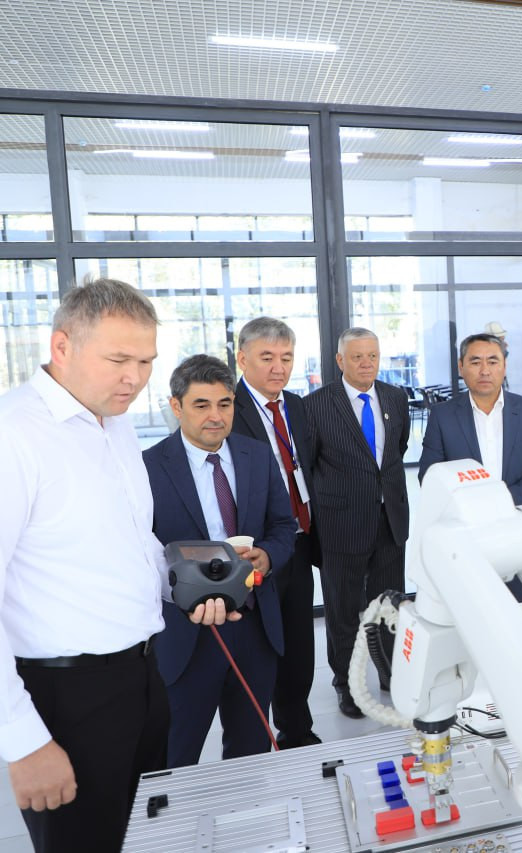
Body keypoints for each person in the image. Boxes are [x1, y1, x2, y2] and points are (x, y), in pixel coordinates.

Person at [0, 278, 233, 853]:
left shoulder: (113, 424)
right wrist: (23, 742)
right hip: (65, 693)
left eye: (146, 361)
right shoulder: (0, 440)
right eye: (118, 360)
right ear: (62, 347)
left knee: (142, 837)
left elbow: (131, 543)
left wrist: (189, 587)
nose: (135, 378)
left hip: (142, 675)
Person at [143, 355, 296, 767]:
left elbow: (284, 526)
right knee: (175, 754)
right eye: (202, 405)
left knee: (251, 751)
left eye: (224, 404)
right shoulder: (148, 468)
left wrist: (268, 556)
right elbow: (138, 552)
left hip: (253, 626)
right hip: (187, 632)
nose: (215, 416)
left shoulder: (257, 455)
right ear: (176, 407)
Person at [302, 327, 410, 719]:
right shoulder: (315, 406)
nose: (367, 364)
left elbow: (397, 450)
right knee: (343, 610)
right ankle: (347, 684)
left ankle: (390, 673)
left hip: (389, 519)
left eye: (373, 356)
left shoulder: (395, 398)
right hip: (341, 524)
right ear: (340, 360)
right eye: (357, 356)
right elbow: (310, 464)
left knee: (389, 606)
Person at [231, 317, 322, 749]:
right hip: (254, 548)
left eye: (286, 358)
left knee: (299, 644)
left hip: (298, 543)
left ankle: (296, 730)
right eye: (266, 357)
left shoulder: (298, 407)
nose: (278, 368)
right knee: (258, 647)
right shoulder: (227, 409)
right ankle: (252, 737)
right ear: (242, 359)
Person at [418, 333, 522, 506]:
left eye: (492, 362)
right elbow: (429, 476)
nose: (485, 371)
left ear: (504, 366)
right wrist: (473, 503)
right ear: (461, 367)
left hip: (520, 513)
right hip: (466, 516)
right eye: (475, 362)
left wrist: (501, 499)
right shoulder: (442, 416)